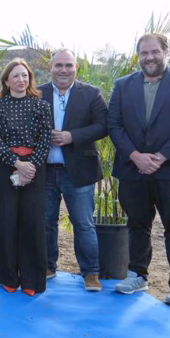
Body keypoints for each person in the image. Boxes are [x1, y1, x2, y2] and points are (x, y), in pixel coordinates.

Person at [110, 33, 170, 306]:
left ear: (166, 52)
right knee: (137, 224)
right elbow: (114, 125)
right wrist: (135, 156)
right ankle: (137, 275)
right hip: (133, 170)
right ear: (138, 55)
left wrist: (162, 156)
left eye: (154, 52)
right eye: (144, 53)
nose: (149, 57)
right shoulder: (122, 85)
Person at [38, 48, 108, 292]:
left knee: (83, 224)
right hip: (44, 171)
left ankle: (90, 272)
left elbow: (103, 126)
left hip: (79, 171)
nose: (64, 70)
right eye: (59, 65)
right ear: (51, 68)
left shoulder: (91, 94)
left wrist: (72, 136)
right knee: (46, 222)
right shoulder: (38, 93)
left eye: (68, 65)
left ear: (76, 67)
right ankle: (47, 266)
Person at [0, 58, 52, 296]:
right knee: (6, 222)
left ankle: (32, 280)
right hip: (6, 168)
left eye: (24, 75)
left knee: (32, 224)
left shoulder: (41, 106)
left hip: (35, 169)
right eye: (15, 75)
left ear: (30, 79)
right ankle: (8, 277)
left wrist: (30, 167)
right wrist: (16, 164)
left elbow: (46, 139)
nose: (20, 80)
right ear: (6, 80)